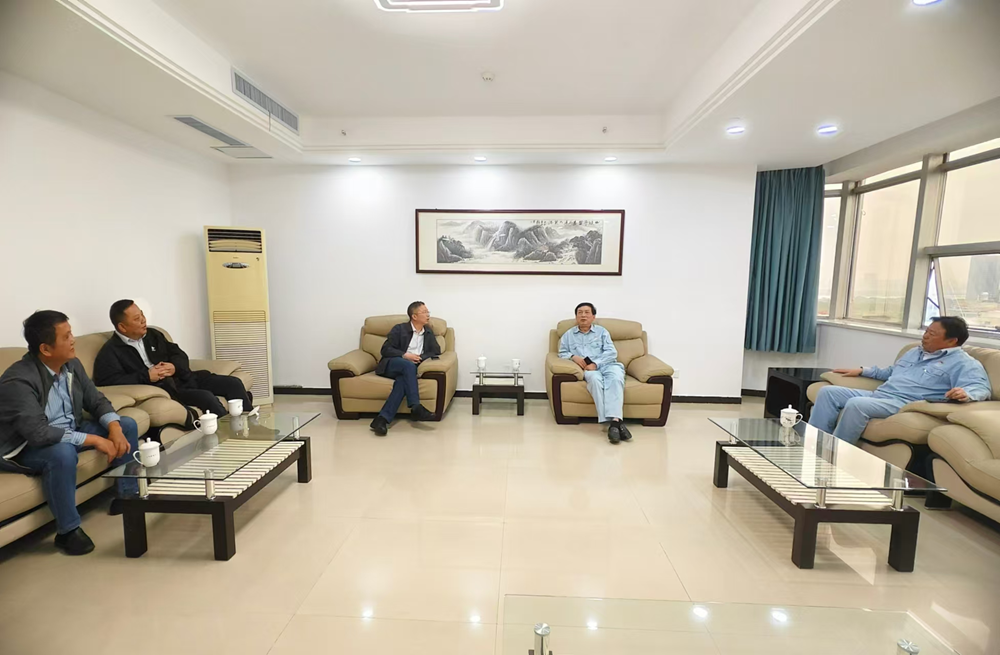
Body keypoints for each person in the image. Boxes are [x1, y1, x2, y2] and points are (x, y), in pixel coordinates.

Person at [0, 311, 140, 555]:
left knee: (126, 424)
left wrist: (114, 428)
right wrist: (95, 439)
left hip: (70, 429)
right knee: (63, 453)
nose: (73, 340)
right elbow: (38, 433)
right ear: (45, 349)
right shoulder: (18, 380)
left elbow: (96, 400)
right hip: (26, 446)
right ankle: (68, 531)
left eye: (71, 333)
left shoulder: (71, 365)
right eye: (66, 336)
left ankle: (127, 498)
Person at [810, 316, 991, 445]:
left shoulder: (963, 363)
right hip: (880, 395)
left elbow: (981, 387)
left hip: (904, 403)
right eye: (926, 331)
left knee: (857, 404)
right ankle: (812, 444)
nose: (925, 336)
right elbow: (892, 371)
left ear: (952, 341)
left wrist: (966, 393)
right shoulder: (915, 351)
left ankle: (835, 453)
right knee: (828, 392)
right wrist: (863, 371)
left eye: (932, 334)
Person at [93, 300, 251, 421]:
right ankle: (229, 437)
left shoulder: (153, 335)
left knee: (233, 383)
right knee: (206, 397)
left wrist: (175, 366)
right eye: (137, 319)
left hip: (184, 377)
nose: (143, 320)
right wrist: (146, 376)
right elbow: (108, 381)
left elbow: (178, 354)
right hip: (168, 389)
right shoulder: (111, 351)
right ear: (122, 327)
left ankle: (252, 429)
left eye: (142, 315)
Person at [559, 302, 631, 444]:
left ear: (593, 317)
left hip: (608, 365)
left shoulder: (602, 332)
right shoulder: (568, 335)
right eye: (580, 313)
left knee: (616, 379)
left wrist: (596, 364)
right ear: (576, 317)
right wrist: (573, 357)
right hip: (588, 369)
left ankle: (614, 423)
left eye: (587, 312)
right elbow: (562, 353)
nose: (583, 315)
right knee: (595, 381)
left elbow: (611, 352)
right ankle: (616, 423)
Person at [369, 301, 439, 436]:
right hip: (393, 363)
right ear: (414, 316)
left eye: (428, 312)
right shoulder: (399, 329)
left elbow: (435, 351)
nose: (428, 315)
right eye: (424, 312)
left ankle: (381, 420)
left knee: (402, 381)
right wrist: (405, 355)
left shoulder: (428, 332)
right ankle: (415, 406)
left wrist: (420, 357)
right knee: (408, 365)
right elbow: (386, 349)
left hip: (409, 369)